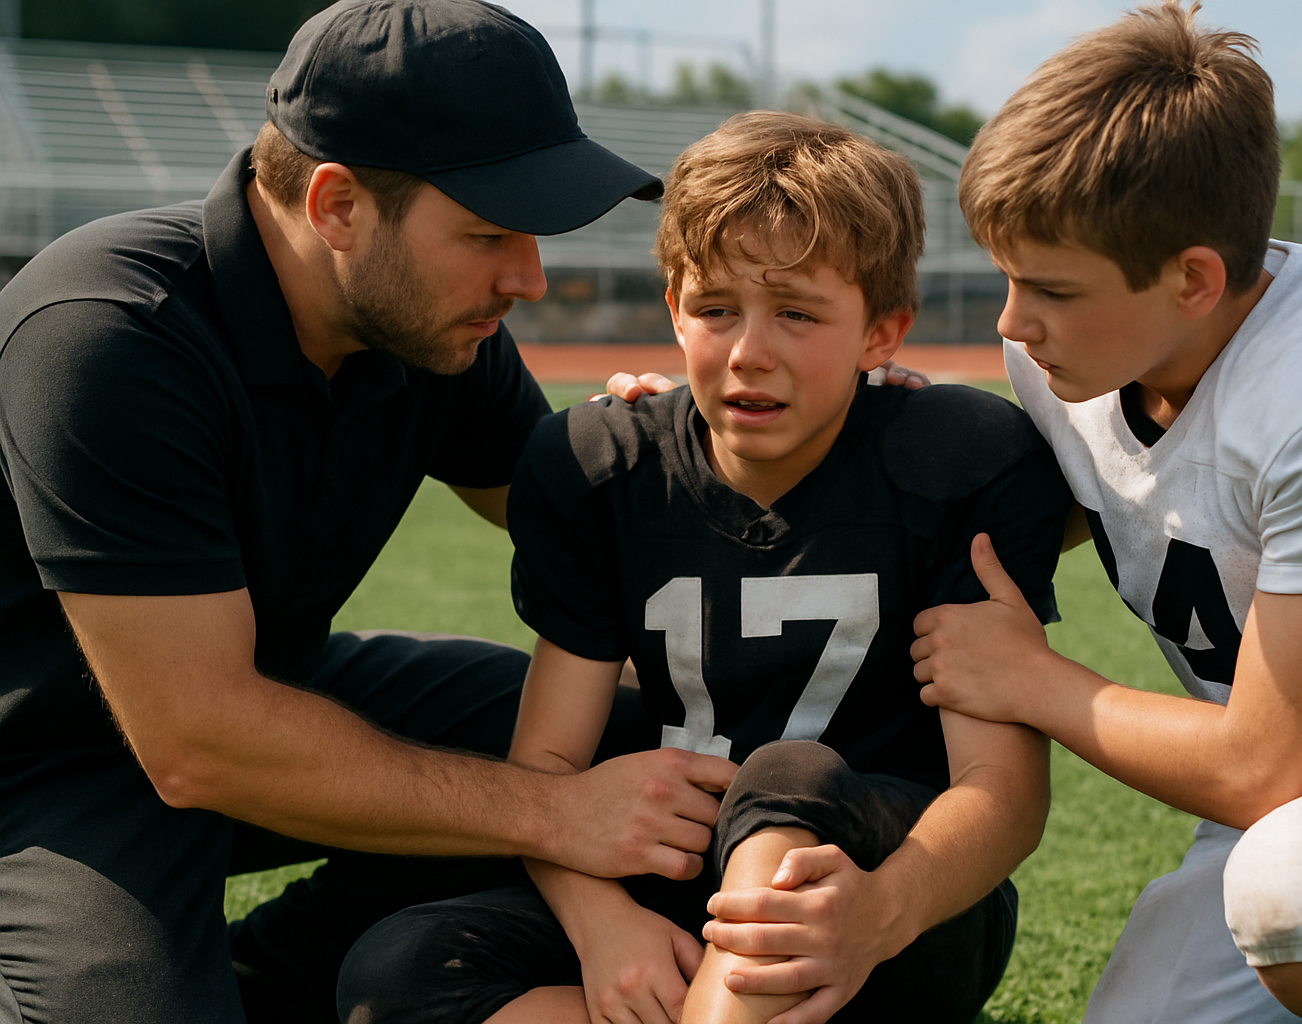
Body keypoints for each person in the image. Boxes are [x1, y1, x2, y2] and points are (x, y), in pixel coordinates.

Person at [0, 2, 740, 1022]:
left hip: (256, 687)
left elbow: (570, 520)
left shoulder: (427, 321)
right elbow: (196, 741)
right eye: (487, 232)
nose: (527, 277)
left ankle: (277, 975)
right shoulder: (111, 335)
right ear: (338, 204)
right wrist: (557, 814)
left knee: (622, 733)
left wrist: (795, 437)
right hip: (49, 762)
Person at [334, 111, 1071, 1024]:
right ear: (674, 306)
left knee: (786, 772)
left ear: (883, 333)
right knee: (395, 977)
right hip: (677, 881)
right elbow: (551, 766)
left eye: (798, 313)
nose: (749, 351)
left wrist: (881, 914)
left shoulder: (953, 457)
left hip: (898, 898)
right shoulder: (599, 465)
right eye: (717, 309)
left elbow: (1000, 792)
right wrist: (605, 925)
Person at [911, 3, 1302, 1023]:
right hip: (1283, 770)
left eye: (1050, 289)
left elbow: (1260, 765)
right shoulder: (1070, 346)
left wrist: (1034, 679)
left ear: (1193, 278)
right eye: (1008, 276)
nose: (1011, 322)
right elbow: (1081, 499)